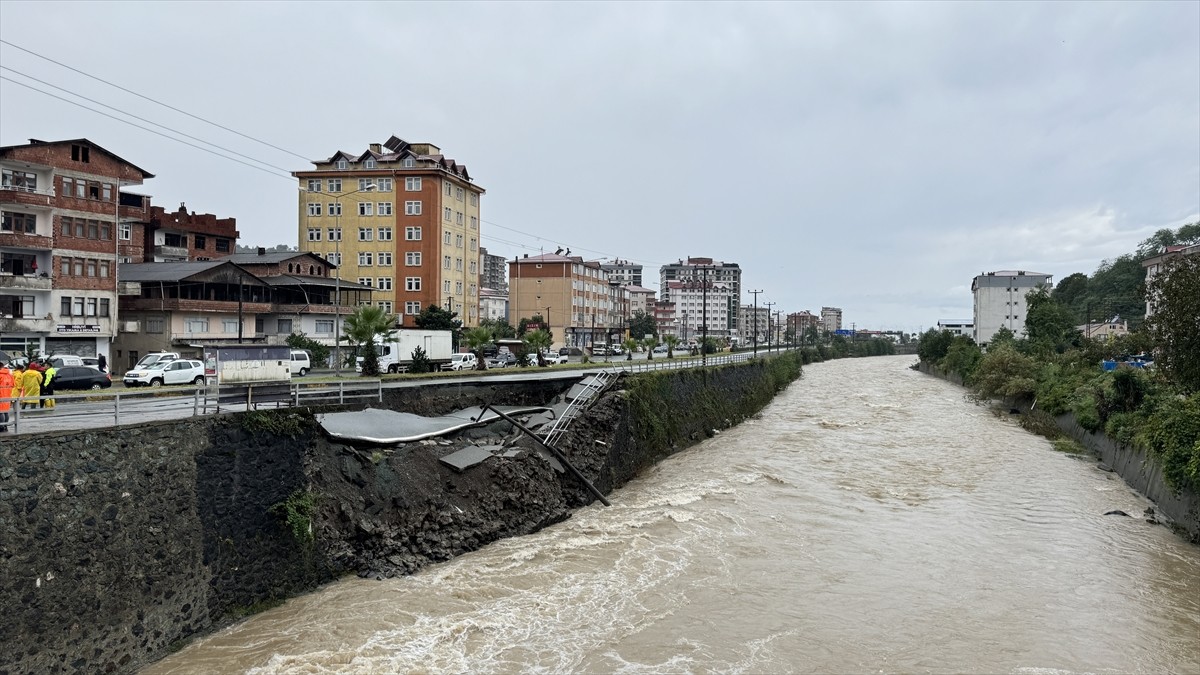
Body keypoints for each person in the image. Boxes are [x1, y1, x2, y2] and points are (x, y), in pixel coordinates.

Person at [0, 361, 14, 432]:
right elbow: (13, 384)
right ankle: (5, 426)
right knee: (5, 412)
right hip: (8, 395)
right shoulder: (9, 375)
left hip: (1, 395)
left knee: (0, 412)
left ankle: (1, 427)